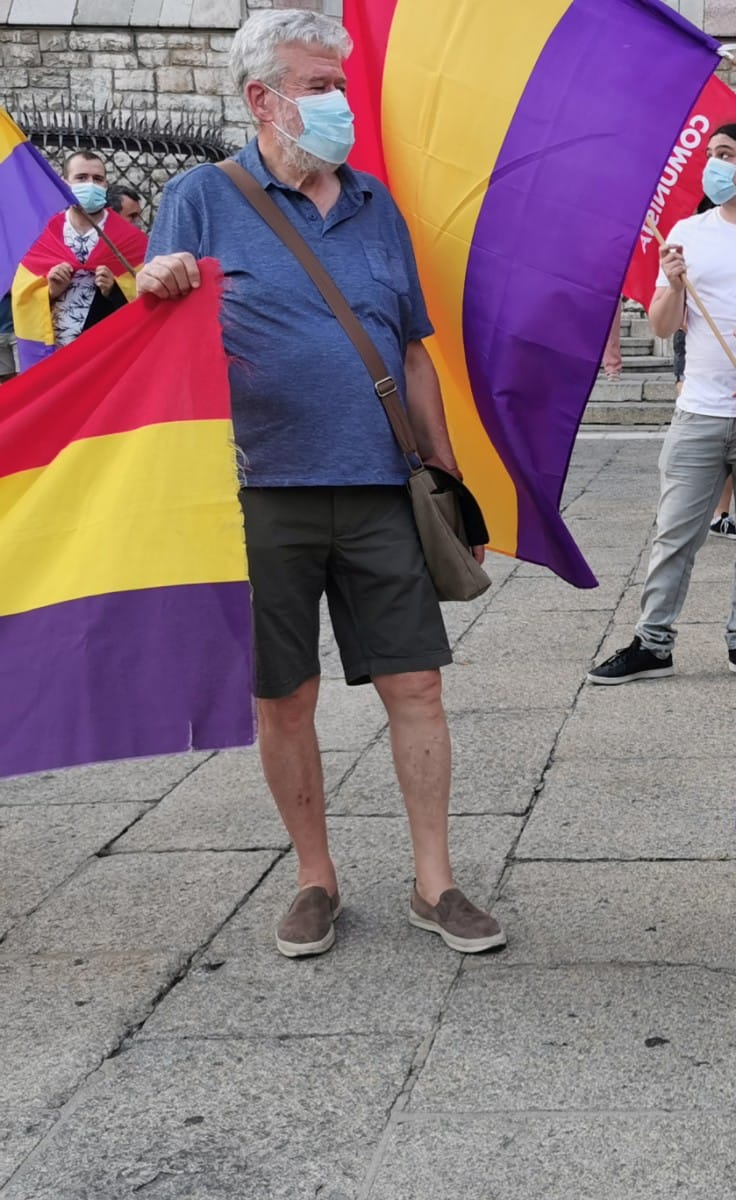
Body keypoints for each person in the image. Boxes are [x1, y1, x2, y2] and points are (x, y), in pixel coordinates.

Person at [137, 9, 503, 959]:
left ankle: (437, 882)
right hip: (262, 494)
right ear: (262, 99)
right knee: (283, 697)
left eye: (338, 82)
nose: (338, 100)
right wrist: (157, 280)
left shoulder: (376, 204)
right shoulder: (200, 199)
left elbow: (413, 353)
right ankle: (314, 877)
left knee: (417, 685)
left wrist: (448, 479)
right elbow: (153, 331)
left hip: (383, 488)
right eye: (316, 84)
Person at [588, 123, 736, 684]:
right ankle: (653, 641)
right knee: (674, 533)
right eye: (710, 154)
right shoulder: (688, 231)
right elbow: (667, 327)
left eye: (725, 154)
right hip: (698, 410)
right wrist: (673, 283)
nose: (712, 164)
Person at [9, 149, 147, 368]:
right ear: (65, 184)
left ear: (105, 185)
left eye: (98, 179)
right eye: (81, 178)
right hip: (53, 355)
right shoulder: (42, 234)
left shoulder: (130, 240)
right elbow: (21, 295)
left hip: (105, 355)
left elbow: (146, 300)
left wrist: (114, 290)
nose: (90, 184)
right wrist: (50, 291)